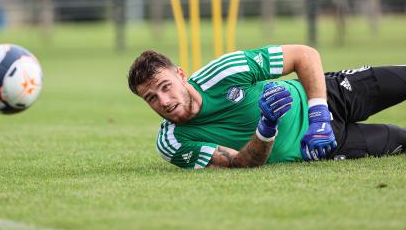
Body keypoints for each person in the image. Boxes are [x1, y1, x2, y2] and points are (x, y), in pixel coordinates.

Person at [127, 44, 406, 169]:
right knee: (400, 140)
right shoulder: (173, 142)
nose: (164, 101)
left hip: (327, 95)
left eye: (165, 86)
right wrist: (266, 128)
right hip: (321, 148)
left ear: (181, 74)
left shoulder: (225, 70)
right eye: (151, 98)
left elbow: (304, 55)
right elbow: (237, 164)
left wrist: (318, 112)